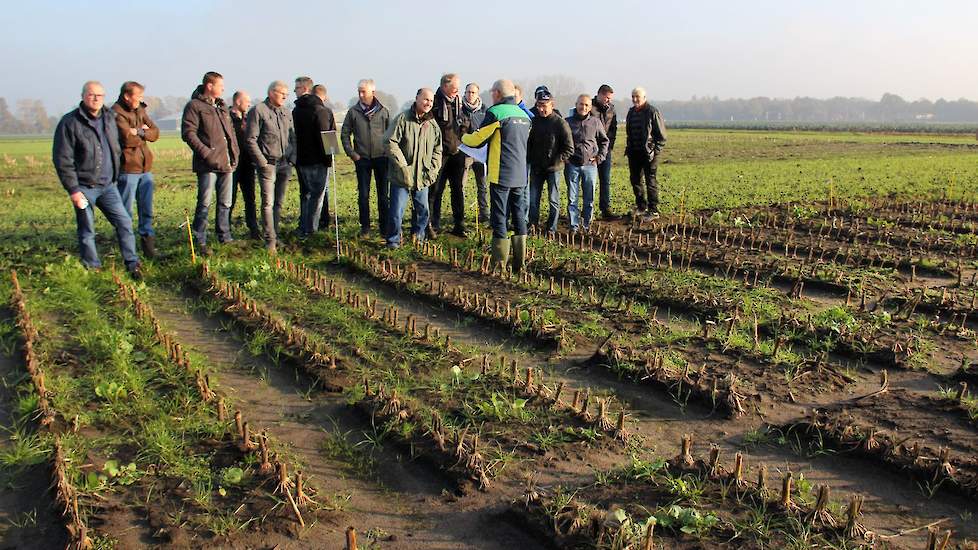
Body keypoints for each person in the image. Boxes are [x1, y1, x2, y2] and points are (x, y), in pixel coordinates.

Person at [54, 81, 142, 278]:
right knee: (87, 230)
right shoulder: (70, 122)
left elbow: (116, 146)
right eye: (92, 95)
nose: (96, 99)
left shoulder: (109, 118)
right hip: (84, 187)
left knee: (125, 223)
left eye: (100, 96)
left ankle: (132, 263)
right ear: (84, 96)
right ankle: (92, 267)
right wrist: (73, 190)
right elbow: (62, 159)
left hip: (109, 186)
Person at [462, 79, 531, 273]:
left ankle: (500, 264)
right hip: (520, 175)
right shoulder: (524, 115)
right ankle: (520, 263)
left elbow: (477, 139)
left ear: (498, 94)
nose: (491, 95)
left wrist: (462, 137)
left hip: (501, 174)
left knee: (499, 216)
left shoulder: (496, 113)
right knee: (518, 216)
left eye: (492, 92)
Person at [181, 71, 239, 255]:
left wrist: (234, 152)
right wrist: (206, 153)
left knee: (225, 202)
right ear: (209, 85)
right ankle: (200, 239)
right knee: (205, 202)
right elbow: (188, 133)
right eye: (220, 85)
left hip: (227, 162)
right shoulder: (194, 106)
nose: (223, 88)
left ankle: (225, 236)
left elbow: (230, 133)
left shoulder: (222, 107)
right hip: (208, 165)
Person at [385, 88, 442, 249]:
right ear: (417, 99)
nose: (428, 103)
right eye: (425, 100)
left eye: (431, 101)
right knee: (397, 212)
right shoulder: (402, 119)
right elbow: (389, 141)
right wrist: (402, 166)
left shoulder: (432, 125)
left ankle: (419, 239)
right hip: (401, 177)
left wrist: (433, 170)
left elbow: (438, 149)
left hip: (422, 177)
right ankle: (393, 241)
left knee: (423, 211)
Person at [245, 80, 296, 254]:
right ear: (272, 92)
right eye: (283, 93)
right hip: (268, 164)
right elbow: (251, 139)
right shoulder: (258, 111)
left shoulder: (286, 112)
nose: (285, 97)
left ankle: (276, 234)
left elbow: (293, 137)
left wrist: (292, 158)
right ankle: (270, 241)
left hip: (284, 164)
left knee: (278, 203)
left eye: (286, 94)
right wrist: (262, 162)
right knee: (267, 203)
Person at [112, 81, 159, 258]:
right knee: (126, 213)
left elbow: (155, 133)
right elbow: (126, 140)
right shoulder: (116, 113)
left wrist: (137, 131)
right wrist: (143, 132)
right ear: (127, 96)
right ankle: (128, 251)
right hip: (128, 169)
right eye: (138, 96)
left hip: (145, 168)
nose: (141, 99)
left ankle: (149, 249)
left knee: (146, 210)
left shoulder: (140, 110)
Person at [341, 78, 391, 238]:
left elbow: (391, 134)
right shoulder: (353, 112)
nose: (361, 95)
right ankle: (365, 228)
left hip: (381, 158)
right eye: (359, 92)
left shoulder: (384, 111)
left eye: (364, 92)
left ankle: (384, 228)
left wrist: (388, 153)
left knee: (383, 195)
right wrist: (352, 153)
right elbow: (344, 134)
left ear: (373, 93)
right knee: (363, 195)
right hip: (362, 159)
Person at [526, 87, 572, 236]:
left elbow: (569, 148)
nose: (541, 109)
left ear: (551, 105)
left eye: (544, 106)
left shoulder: (560, 123)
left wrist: (557, 160)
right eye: (538, 105)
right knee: (533, 200)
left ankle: (551, 228)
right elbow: (528, 144)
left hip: (554, 168)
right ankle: (532, 226)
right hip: (537, 168)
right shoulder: (533, 122)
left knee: (553, 200)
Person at [293, 83, 336, 238]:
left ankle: (303, 226)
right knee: (317, 196)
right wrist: (330, 157)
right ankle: (311, 230)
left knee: (306, 194)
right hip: (318, 160)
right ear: (323, 96)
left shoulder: (296, 110)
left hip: (301, 159)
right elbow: (327, 135)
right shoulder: (322, 111)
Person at [429, 73, 468, 238]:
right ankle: (432, 223)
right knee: (436, 189)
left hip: (458, 153)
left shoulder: (459, 103)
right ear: (445, 86)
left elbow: (466, 121)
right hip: (440, 154)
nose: (457, 91)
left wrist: (464, 131)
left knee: (457, 190)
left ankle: (459, 224)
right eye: (455, 88)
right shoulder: (435, 103)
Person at [565, 94, 609, 233]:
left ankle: (587, 225)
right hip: (572, 165)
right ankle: (574, 226)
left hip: (590, 166)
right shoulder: (567, 122)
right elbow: (561, 141)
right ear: (576, 104)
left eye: (586, 105)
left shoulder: (595, 122)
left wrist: (599, 158)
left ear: (590, 107)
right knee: (572, 198)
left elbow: (604, 141)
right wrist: (564, 157)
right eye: (581, 104)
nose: (583, 107)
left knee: (589, 198)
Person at [624, 87, 667, 221]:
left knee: (650, 181)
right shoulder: (631, 112)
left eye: (637, 96)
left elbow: (661, 136)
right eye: (633, 96)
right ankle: (641, 207)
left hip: (649, 154)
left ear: (644, 97)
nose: (635, 99)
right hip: (634, 152)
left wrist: (654, 151)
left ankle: (653, 210)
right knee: (635, 180)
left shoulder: (652, 112)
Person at [229, 90, 260, 239]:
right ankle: (224, 229)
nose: (249, 104)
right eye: (246, 101)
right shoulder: (227, 119)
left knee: (250, 198)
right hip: (232, 165)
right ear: (238, 101)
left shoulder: (248, 120)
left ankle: (253, 228)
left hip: (248, 164)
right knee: (230, 198)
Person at [460, 82, 489, 225]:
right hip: (465, 153)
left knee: (482, 185)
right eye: (468, 92)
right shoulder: (459, 110)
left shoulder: (485, 111)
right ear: (464, 93)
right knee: (461, 185)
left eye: (473, 92)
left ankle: (485, 213)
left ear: (478, 94)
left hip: (481, 153)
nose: (470, 95)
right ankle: (460, 215)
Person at [592, 84, 619, 219]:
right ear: (600, 94)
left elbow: (613, 129)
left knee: (605, 180)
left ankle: (605, 209)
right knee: (589, 181)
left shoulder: (611, 110)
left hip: (605, 150)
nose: (609, 101)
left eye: (610, 98)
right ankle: (587, 209)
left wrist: (609, 147)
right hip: (590, 150)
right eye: (607, 98)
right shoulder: (589, 107)